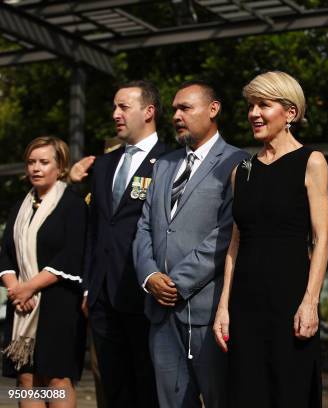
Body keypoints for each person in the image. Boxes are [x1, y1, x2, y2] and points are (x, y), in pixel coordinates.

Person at [212, 71, 328, 408]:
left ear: (290, 112)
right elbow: (235, 243)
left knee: (289, 392)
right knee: (246, 394)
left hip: (290, 302)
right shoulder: (242, 171)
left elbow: (322, 239)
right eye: (251, 105)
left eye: (263, 105)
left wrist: (310, 302)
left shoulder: (312, 162)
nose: (254, 114)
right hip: (245, 306)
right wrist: (224, 307)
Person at [133, 80, 248, 408]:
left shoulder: (238, 162)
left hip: (208, 312)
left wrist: (176, 284)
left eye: (186, 108)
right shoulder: (164, 165)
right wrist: (150, 277)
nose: (176, 116)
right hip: (160, 314)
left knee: (219, 399)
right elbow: (144, 226)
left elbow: (227, 233)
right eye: (174, 109)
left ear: (213, 110)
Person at [80, 80, 165, 408]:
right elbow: (94, 230)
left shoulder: (172, 161)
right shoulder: (102, 166)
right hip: (102, 298)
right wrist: (89, 287)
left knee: (147, 386)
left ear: (148, 111)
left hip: (145, 295)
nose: (115, 114)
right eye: (114, 106)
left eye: (123, 107)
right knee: (112, 388)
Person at [0, 136, 87, 408]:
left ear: (60, 167)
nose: (36, 168)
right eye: (31, 162)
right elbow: (5, 251)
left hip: (58, 304)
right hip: (21, 305)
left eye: (44, 162)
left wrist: (30, 287)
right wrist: (17, 289)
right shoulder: (20, 206)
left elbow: (72, 254)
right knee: (26, 379)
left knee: (57, 381)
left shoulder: (72, 204)